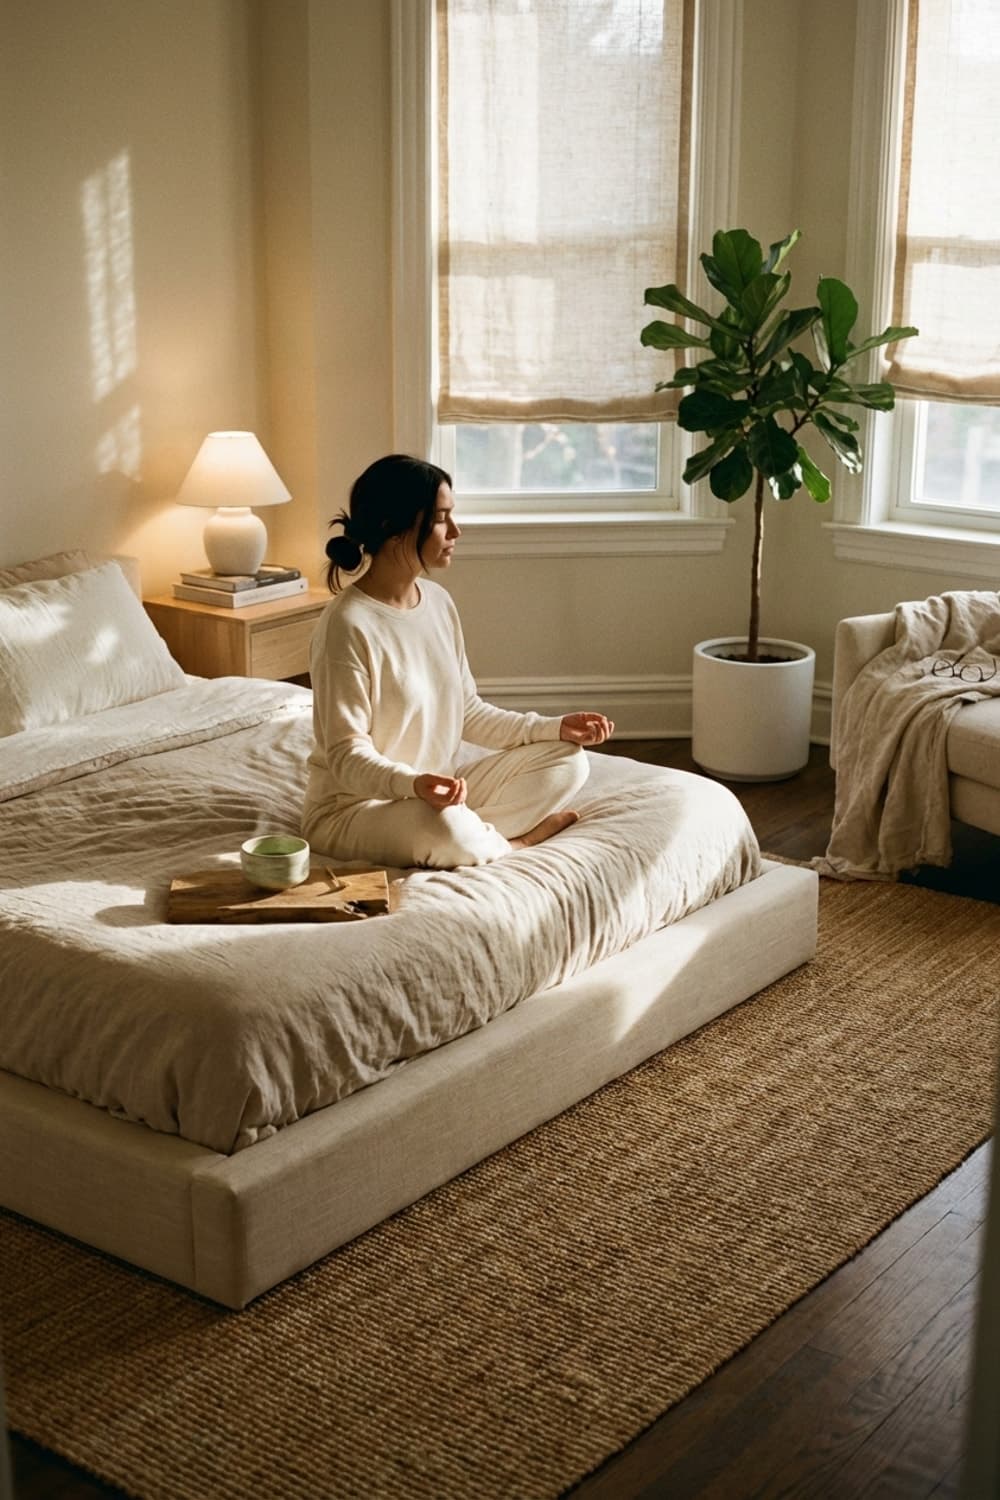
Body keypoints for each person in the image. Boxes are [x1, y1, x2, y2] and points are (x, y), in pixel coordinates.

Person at [302, 453, 614, 868]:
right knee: (442, 827)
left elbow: (468, 712)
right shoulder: (347, 624)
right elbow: (345, 755)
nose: (456, 531)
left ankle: (472, 836)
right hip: (356, 810)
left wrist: (553, 727)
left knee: (567, 760)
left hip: (436, 793)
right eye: (441, 519)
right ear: (395, 528)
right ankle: (511, 845)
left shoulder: (438, 603)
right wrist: (412, 785)